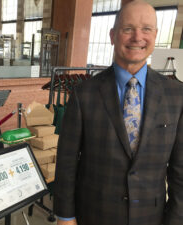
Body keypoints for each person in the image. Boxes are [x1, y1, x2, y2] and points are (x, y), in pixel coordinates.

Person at [53, 1, 183, 225]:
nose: (137, 37)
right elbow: (67, 162)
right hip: (94, 214)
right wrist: (65, 216)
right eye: (128, 29)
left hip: (151, 218)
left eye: (146, 29)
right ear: (113, 36)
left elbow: (180, 171)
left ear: (155, 35)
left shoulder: (176, 94)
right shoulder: (84, 94)